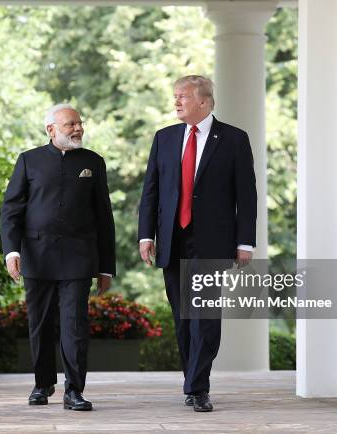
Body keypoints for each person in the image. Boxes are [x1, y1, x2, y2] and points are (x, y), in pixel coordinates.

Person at [138, 75, 257, 412]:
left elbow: (246, 196)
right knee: (182, 318)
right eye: (175, 97)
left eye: (183, 97)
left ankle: (197, 387)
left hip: (214, 241)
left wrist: (245, 241)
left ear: (204, 101)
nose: (177, 102)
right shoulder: (164, 138)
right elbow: (151, 190)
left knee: (204, 315)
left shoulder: (233, 139)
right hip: (173, 240)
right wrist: (146, 235)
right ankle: (192, 382)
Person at [0, 103, 116, 411]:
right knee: (39, 324)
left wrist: (106, 267)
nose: (78, 128)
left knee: (74, 325)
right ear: (51, 129)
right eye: (70, 125)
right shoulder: (29, 161)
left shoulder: (94, 161)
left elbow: (104, 217)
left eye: (79, 123)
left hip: (78, 258)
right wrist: (12, 251)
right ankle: (42, 383)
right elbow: (11, 210)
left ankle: (74, 390)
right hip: (36, 256)